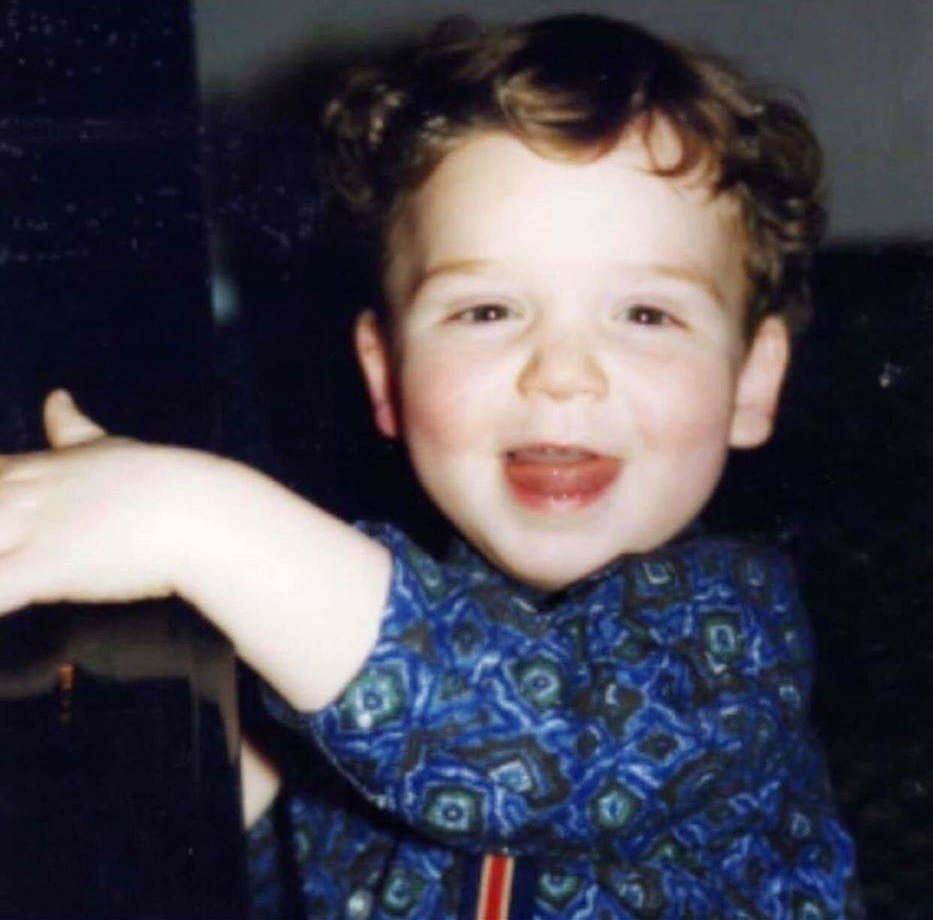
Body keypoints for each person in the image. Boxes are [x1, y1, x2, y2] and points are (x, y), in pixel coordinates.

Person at [0, 13, 861, 919]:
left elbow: (528, 748)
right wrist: (231, 776)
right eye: (486, 311)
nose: (561, 373)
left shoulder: (732, 635)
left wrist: (190, 520)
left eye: (645, 315)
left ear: (752, 380)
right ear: (385, 377)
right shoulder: (372, 637)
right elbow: (310, 868)